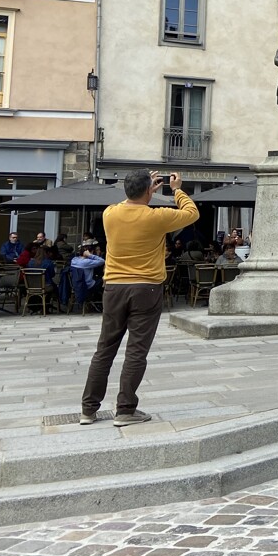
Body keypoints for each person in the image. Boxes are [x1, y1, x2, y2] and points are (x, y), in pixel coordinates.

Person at [80, 170, 198, 427]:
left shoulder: (110, 213)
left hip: (113, 287)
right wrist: (176, 189)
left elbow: (130, 203)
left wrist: (145, 190)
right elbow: (192, 213)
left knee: (105, 348)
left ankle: (88, 410)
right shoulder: (157, 217)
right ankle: (125, 410)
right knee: (136, 350)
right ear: (149, 191)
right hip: (146, 288)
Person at [68, 240, 105, 313]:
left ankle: (93, 305)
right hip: (87, 285)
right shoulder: (87, 262)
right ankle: (102, 305)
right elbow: (102, 261)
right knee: (104, 282)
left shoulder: (74, 260)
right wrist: (90, 255)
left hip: (76, 284)